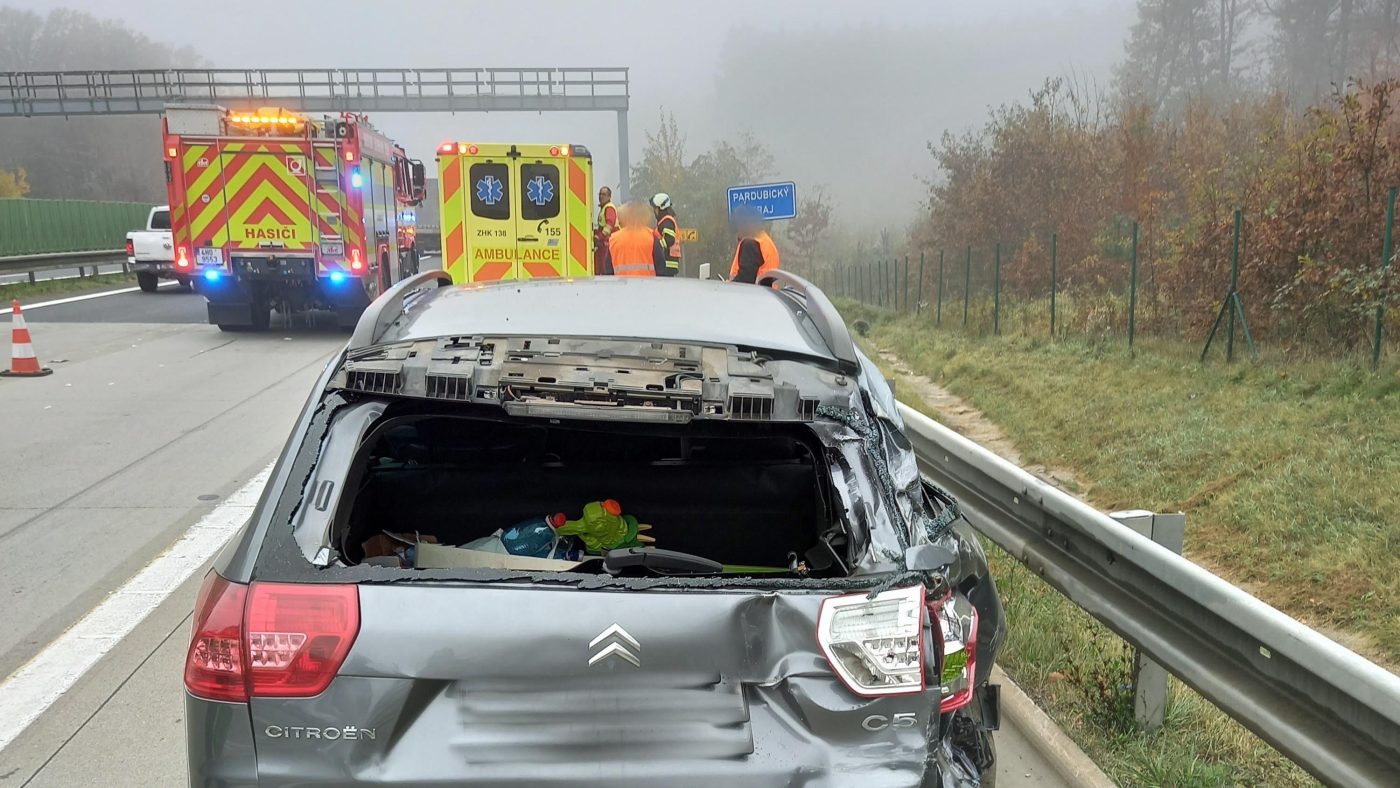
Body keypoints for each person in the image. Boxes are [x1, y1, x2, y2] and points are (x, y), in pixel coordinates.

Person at [608, 202, 667, 277]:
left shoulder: (614, 239)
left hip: (621, 286)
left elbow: (608, 271)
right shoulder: (651, 237)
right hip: (648, 286)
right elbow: (661, 268)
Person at [728, 206, 781, 284]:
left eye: (738, 227)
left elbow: (745, 280)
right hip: (766, 293)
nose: (738, 233)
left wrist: (728, 286)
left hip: (752, 294)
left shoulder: (750, 244)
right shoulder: (764, 240)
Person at [650, 193, 681, 277]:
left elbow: (669, 240)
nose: (654, 211)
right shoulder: (665, 221)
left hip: (667, 262)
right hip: (668, 262)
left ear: (661, 207)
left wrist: (656, 248)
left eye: (655, 208)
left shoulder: (667, 221)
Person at [593, 186, 620, 275]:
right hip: (605, 242)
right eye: (600, 194)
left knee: (605, 267)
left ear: (609, 197)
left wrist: (599, 236)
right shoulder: (604, 208)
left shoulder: (609, 208)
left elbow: (609, 225)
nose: (601, 196)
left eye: (604, 194)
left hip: (609, 242)